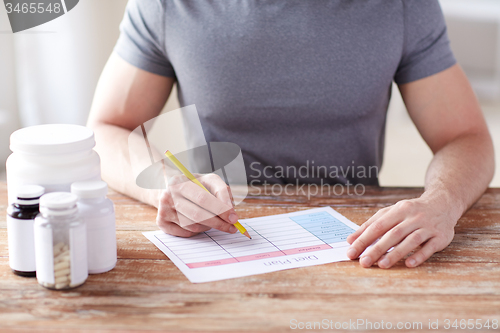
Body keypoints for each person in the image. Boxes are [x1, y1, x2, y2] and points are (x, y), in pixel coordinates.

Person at [87, 0, 495, 269]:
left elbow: (464, 136)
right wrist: (167, 185)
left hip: (357, 243)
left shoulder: (402, 6)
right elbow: (106, 128)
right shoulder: (166, 5)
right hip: (220, 238)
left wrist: (442, 202)